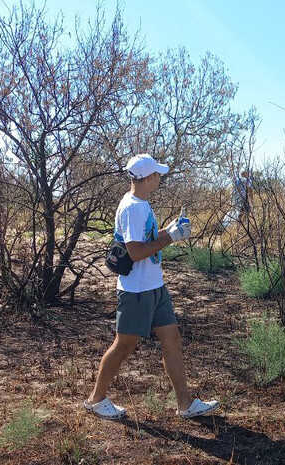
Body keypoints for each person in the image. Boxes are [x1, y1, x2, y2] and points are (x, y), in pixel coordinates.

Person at [85, 154, 219, 420]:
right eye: (157, 174)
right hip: (137, 291)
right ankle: (96, 400)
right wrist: (170, 236)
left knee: (172, 340)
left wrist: (168, 230)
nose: (160, 177)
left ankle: (185, 403)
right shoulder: (134, 208)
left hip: (154, 286)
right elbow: (135, 252)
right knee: (123, 345)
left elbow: (145, 240)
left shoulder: (141, 204)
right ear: (147, 178)